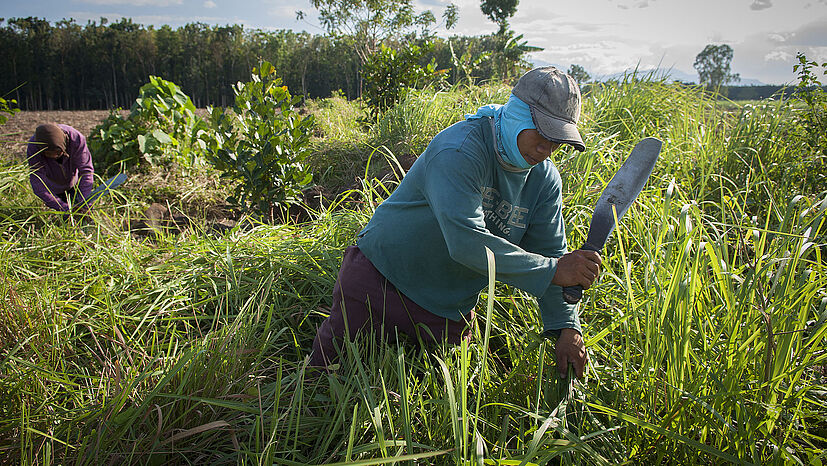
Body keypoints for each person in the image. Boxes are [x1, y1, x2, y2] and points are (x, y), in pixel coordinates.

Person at [310, 67, 602, 378]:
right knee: (328, 376)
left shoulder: (543, 180)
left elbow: (552, 254)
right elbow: (466, 242)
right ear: (518, 114)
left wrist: (567, 326)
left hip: (447, 307)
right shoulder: (461, 149)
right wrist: (553, 271)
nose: (546, 148)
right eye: (540, 132)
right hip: (379, 281)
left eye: (557, 139)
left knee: (433, 397)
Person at [27, 123, 95, 212]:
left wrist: (83, 202)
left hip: (75, 185)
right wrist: (62, 207)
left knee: (84, 214)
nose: (54, 156)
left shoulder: (76, 139)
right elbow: (37, 181)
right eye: (49, 154)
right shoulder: (34, 147)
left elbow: (86, 172)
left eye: (58, 152)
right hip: (52, 189)